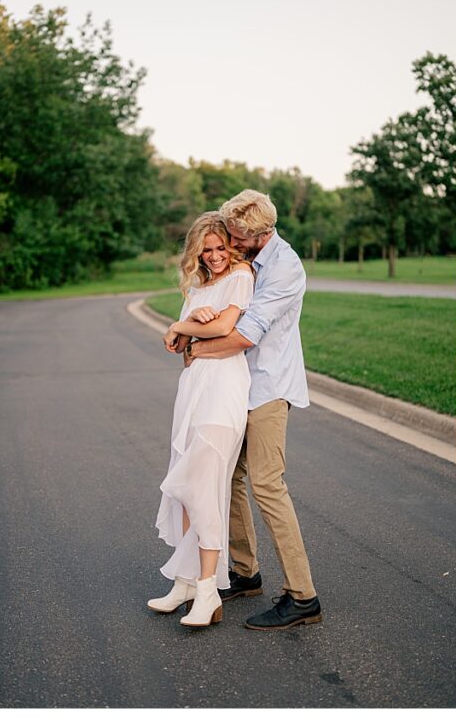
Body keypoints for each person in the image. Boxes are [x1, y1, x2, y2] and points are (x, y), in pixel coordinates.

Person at [181, 189, 322, 631]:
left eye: (237, 235)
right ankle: (245, 573)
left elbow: (245, 336)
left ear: (259, 233)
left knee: (266, 484)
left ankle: (303, 597)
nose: (230, 239)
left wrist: (192, 346)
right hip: (234, 388)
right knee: (230, 479)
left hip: (266, 390)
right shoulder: (245, 262)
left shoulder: (284, 268)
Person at [148, 212, 255, 627]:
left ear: (231, 245)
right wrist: (186, 327)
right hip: (193, 389)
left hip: (224, 390)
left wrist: (185, 325)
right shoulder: (197, 285)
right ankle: (187, 582)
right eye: (205, 250)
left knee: (203, 485)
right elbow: (177, 343)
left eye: (219, 248)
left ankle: (208, 590)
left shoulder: (241, 276)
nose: (213, 256)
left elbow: (227, 326)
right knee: (188, 488)